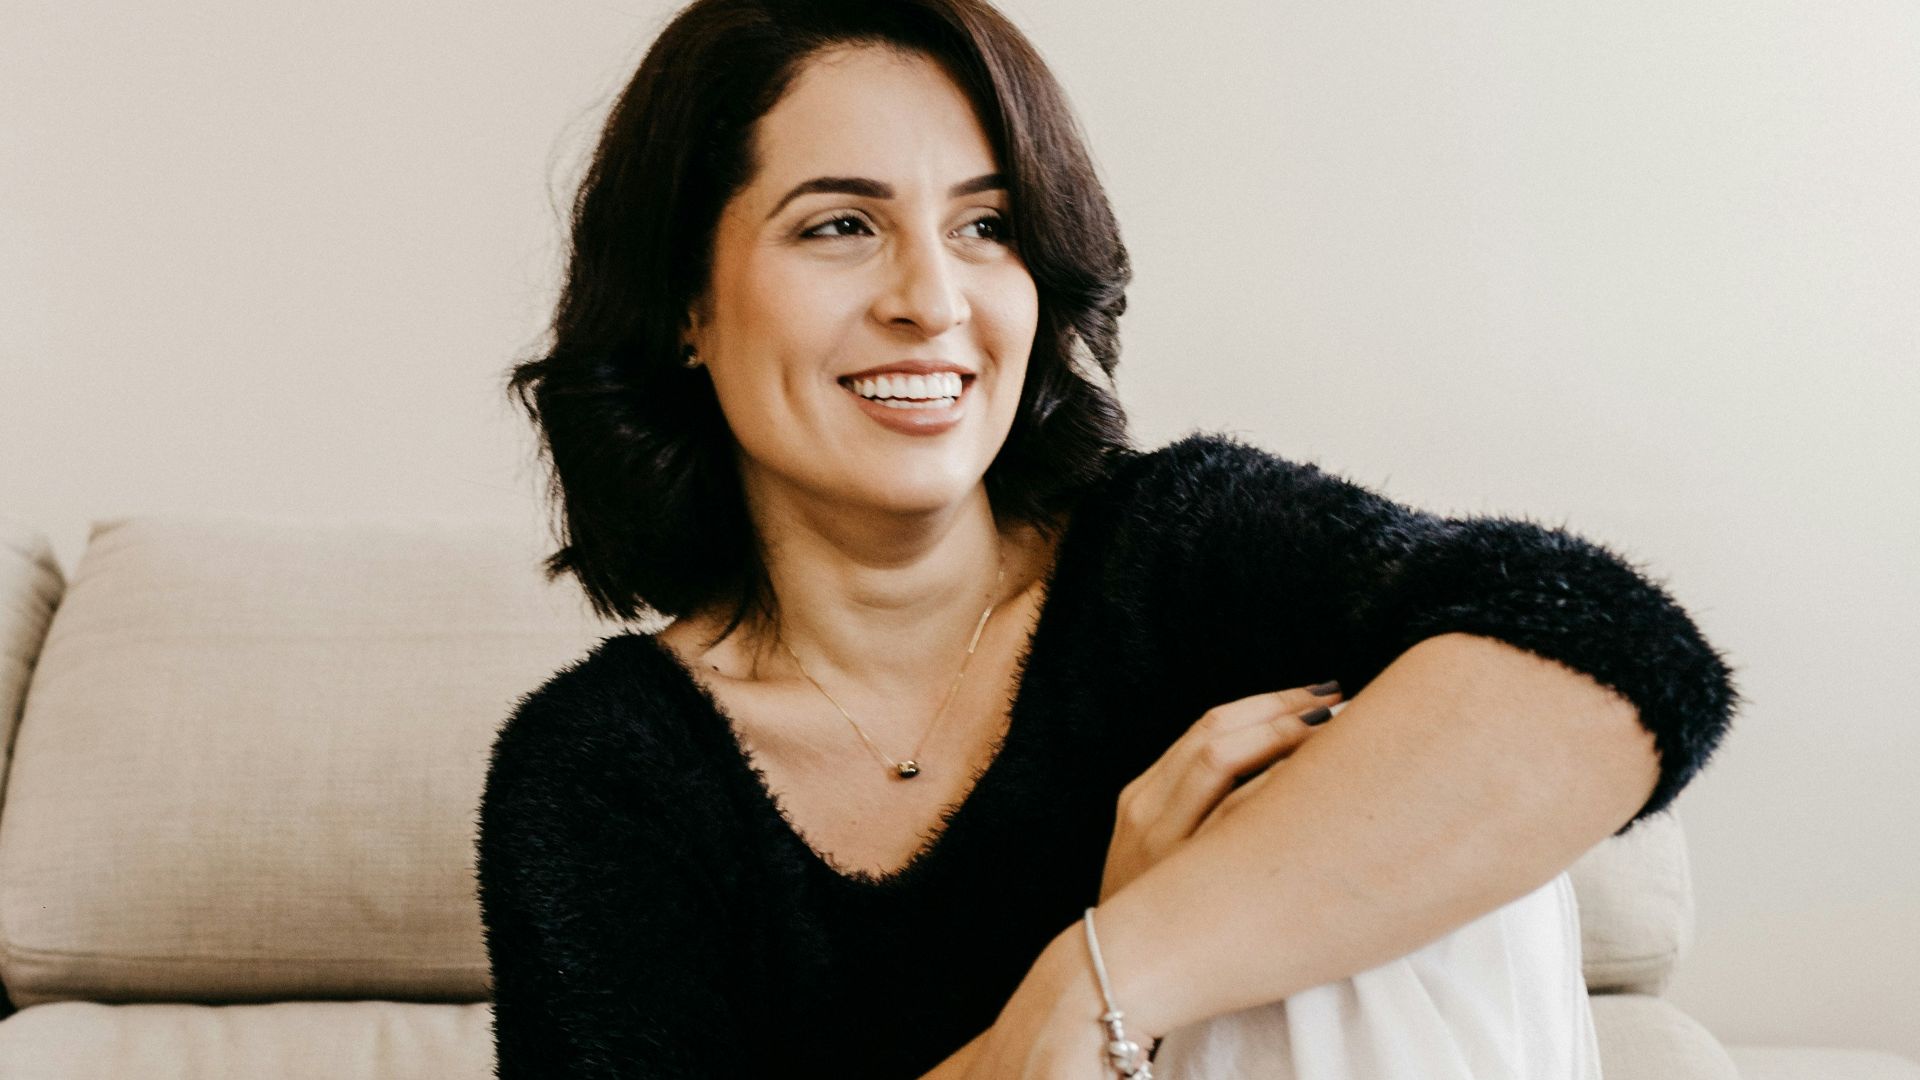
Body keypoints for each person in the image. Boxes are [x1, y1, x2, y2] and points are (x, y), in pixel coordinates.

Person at [475, 0, 1736, 1077]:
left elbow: (1619, 664)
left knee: (1408, 800)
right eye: (840, 225)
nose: (933, 300)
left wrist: (1113, 972)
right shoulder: (603, 776)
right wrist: (1049, 1031)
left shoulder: (1184, 556)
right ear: (687, 302)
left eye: (987, 226)